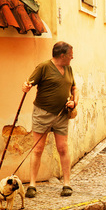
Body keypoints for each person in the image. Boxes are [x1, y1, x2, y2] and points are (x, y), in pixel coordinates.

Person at [22, 41, 79, 197]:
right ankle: (32, 184)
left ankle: (67, 184)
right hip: (42, 114)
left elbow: (74, 87)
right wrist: (26, 87)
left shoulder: (68, 68)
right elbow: (28, 84)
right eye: (70, 54)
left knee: (63, 148)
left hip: (61, 115)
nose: (72, 57)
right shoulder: (44, 67)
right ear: (62, 55)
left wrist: (74, 101)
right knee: (38, 149)